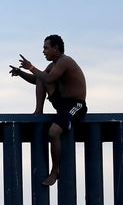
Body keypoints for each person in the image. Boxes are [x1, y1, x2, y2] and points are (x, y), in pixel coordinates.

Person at [9, 34, 87, 186]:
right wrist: (21, 73)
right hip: (62, 104)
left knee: (53, 132)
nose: (43, 51)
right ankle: (38, 111)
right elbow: (38, 79)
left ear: (56, 48)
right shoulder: (53, 65)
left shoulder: (65, 61)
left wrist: (31, 67)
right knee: (40, 77)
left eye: (46, 48)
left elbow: (49, 80)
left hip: (75, 106)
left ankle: (55, 171)